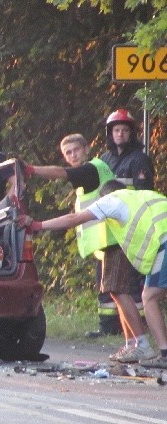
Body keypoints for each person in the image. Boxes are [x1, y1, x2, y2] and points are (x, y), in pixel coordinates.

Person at [21, 134, 146, 355]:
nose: (72, 156)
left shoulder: (91, 169)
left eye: (76, 150)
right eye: (67, 153)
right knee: (117, 293)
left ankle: (142, 344)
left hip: (116, 240)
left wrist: (31, 169)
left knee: (120, 292)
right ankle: (131, 345)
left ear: (87, 149)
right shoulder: (92, 174)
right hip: (113, 241)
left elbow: (60, 174)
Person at [19, 179, 165, 365]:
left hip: (164, 241)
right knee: (147, 294)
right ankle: (142, 346)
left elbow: (74, 219)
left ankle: (160, 352)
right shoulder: (144, 195)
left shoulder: (112, 200)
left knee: (149, 297)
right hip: (162, 240)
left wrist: (38, 226)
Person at [90, 109, 155, 337]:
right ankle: (107, 327)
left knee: (130, 280)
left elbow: (143, 196)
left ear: (131, 133)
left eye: (125, 130)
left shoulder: (139, 159)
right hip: (108, 230)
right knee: (105, 277)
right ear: (110, 133)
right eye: (116, 130)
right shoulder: (104, 160)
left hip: (131, 227)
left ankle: (140, 327)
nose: (120, 134)